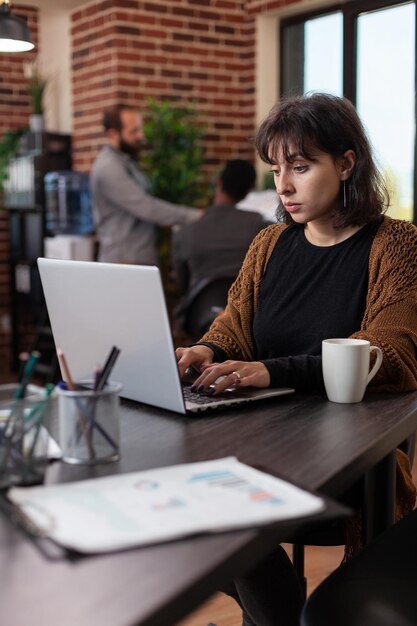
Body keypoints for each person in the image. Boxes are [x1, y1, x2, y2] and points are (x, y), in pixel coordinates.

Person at [176, 93, 417, 625]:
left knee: (229, 512)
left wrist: (273, 369)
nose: (282, 186)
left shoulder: (394, 243)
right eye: (276, 169)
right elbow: (233, 327)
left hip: (348, 454)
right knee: (189, 497)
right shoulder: (269, 243)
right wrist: (206, 350)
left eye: (301, 167)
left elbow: (392, 353)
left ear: (347, 163)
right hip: (262, 437)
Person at [91, 103, 201, 265]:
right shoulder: (109, 167)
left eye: (140, 129)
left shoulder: (127, 161)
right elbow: (146, 207)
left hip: (138, 257)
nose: (141, 135)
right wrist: (194, 215)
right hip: (124, 261)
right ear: (113, 134)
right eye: (133, 131)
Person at [171, 159, 266, 295]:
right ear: (248, 191)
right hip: (249, 312)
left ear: (218, 182)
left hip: (200, 312)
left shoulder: (184, 233)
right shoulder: (260, 227)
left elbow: (183, 285)